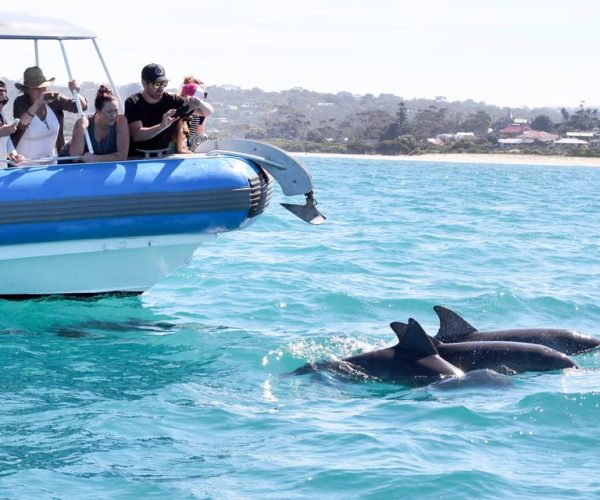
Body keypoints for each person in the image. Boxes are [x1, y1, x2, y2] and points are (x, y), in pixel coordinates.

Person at [124, 63, 206, 157]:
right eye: (156, 84)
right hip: (137, 158)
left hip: (163, 157)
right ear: (144, 83)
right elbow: (137, 135)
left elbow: (206, 112)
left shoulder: (172, 100)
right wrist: (162, 126)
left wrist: (197, 103)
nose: (161, 88)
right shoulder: (133, 102)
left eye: (164, 83)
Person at [11, 66, 88, 163]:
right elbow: (22, 123)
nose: (41, 91)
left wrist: (76, 93)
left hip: (50, 164)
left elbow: (81, 106)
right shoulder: (20, 102)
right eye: (36, 88)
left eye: (43, 87)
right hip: (23, 165)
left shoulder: (53, 99)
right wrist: (38, 103)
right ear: (27, 90)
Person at [62, 85, 129, 162]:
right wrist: (82, 127)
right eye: (109, 112)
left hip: (94, 166)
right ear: (98, 111)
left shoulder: (120, 121)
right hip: (68, 165)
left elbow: (122, 156)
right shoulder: (84, 122)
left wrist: (95, 158)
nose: (114, 115)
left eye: (116, 111)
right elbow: (75, 157)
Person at [179, 76, 214, 151]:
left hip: (192, 146)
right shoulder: (176, 105)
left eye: (203, 94)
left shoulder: (201, 110)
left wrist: (199, 103)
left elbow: (209, 111)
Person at [0, 80, 24, 167]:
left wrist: (14, 155)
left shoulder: (2, 118)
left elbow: (7, 142)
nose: (1, 105)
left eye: (4, 101)